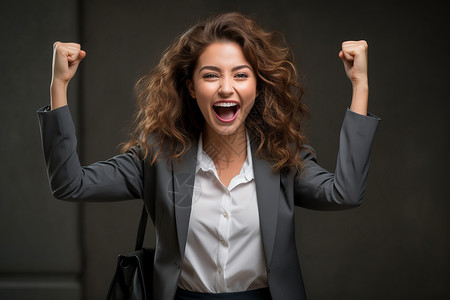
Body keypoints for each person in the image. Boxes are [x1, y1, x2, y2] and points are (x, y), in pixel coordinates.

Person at [38, 12, 379, 300]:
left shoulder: (282, 158)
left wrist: (359, 85)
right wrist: (59, 86)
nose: (226, 88)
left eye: (241, 75)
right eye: (211, 75)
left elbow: (345, 193)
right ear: (190, 87)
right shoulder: (156, 158)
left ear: (257, 85)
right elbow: (70, 184)